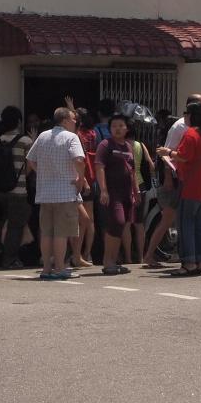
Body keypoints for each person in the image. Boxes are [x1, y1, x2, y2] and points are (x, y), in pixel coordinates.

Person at [143, 96, 201, 267]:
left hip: (190, 184)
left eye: (187, 113)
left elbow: (183, 155)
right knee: (200, 223)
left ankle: (189, 262)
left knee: (186, 223)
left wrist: (168, 152)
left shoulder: (191, 134)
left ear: (192, 115)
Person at [26, 105, 87, 280]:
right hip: (65, 192)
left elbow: (30, 160)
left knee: (47, 232)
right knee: (61, 232)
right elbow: (79, 160)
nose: (75, 122)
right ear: (65, 120)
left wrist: (42, 172)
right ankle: (60, 267)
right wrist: (80, 179)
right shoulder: (72, 137)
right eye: (74, 119)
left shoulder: (43, 136)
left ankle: (46, 268)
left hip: (45, 193)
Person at [95, 113, 138, 275]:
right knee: (116, 223)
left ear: (127, 128)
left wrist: (135, 191)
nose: (117, 129)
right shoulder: (105, 145)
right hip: (112, 193)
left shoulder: (129, 147)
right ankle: (108, 261)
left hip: (126, 193)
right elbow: (99, 167)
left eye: (121, 126)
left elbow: (132, 171)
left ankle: (114, 261)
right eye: (114, 126)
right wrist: (103, 190)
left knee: (121, 226)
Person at [0, 105, 33, 269]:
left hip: (0, 190)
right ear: (18, 122)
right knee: (15, 226)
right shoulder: (25, 141)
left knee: (4, 222)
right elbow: (30, 167)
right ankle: (10, 259)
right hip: (18, 190)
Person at [74, 104, 99, 268]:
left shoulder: (77, 135)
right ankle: (87, 253)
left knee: (79, 219)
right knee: (90, 219)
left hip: (81, 179)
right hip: (92, 176)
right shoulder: (93, 133)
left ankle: (76, 254)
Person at [128, 120, 155, 263]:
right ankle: (140, 257)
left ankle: (127, 257)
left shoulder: (122, 145)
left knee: (126, 224)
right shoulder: (140, 145)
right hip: (141, 184)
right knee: (139, 223)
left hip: (127, 185)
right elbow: (151, 165)